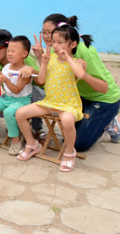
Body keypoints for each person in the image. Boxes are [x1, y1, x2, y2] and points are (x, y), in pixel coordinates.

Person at [33, 14, 120, 151]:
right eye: (43, 32)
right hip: (78, 98)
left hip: (103, 99)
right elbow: (47, 79)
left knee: (78, 144)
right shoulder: (53, 49)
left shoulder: (84, 50)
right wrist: (40, 57)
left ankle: (108, 120)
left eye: (49, 32)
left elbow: (104, 88)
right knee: (67, 137)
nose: (46, 37)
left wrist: (82, 74)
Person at [16, 23, 87, 172]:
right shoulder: (50, 59)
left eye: (60, 42)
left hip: (68, 104)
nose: (55, 46)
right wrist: (44, 62)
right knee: (20, 113)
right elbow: (41, 80)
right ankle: (32, 144)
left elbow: (80, 75)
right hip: (49, 102)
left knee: (67, 120)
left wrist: (67, 57)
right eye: (53, 42)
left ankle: (69, 151)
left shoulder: (77, 62)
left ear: (73, 44)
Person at [0, 29, 44, 139]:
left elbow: (41, 83)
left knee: (32, 91)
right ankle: (14, 124)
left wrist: (33, 70)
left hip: (32, 94)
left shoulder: (24, 60)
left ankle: (37, 128)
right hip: (11, 95)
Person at [0, 36, 34, 155]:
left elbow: (16, 90)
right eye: (8, 50)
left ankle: (16, 139)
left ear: (24, 53)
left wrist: (6, 80)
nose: (9, 53)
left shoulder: (25, 71)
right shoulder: (6, 67)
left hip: (22, 100)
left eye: (13, 51)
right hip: (8, 98)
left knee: (9, 112)